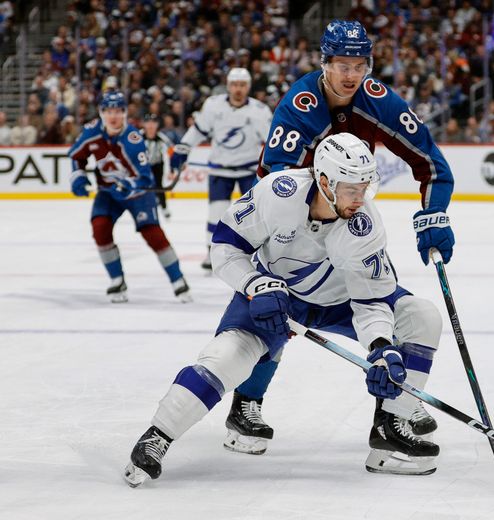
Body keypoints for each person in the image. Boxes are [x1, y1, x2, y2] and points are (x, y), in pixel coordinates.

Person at [123, 133, 443, 487]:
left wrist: (381, 348)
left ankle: (389, 428)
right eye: (352, 189)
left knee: (421, 316)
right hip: (275, 294)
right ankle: (158, 435)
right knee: (227, 357)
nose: (361, 198)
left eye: (366, 187)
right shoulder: (279, 193)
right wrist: (255, 284)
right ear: (324, 181)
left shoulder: (365, 225)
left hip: (341, 304)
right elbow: (226, 247)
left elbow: (371, 301)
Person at [221, 20, 455, 455]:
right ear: (323, 63)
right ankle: (245, 404)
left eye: (359, 64)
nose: (351, 74)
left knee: (387, 305)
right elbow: (275, 180)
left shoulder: (377, 100)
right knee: (278, 310)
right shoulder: (300, 105)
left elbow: (432, 163)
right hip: (293, 225)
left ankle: (396, 407)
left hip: (347, 215)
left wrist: (434, 214)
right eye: (341, 64)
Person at [68, 91, 192, 302]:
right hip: (108, 193)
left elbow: (145, 178)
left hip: (138, 195)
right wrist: (77, 176)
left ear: (125, 113)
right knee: (100, 229)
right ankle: (117, 280)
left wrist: (129, 185)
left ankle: (178, 280)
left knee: (152, 233)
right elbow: (76, 156)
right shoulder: (91, 132)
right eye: (108, 111)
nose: (113, 116)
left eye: (118, 111)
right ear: (101, 112)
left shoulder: (133, 139)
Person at [169, 68, 273, 270]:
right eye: (234, 85)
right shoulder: (213, 106)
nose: (238, 89)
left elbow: (271, 142)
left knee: (253, 214)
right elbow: (198, 130)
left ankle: (256, 253)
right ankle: (211, 252)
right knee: (215, 213)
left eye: (242, 85)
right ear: (228, 85)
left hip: (249, 170)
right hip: (220, 170)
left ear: (248, 87)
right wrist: (183, 149)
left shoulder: (259, 111)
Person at [141, 114, 173, 218]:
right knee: (143, 186)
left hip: (157, 165)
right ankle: (143, 208)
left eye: (153, 123)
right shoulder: (138, 136)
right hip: (143, 165)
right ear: (144, 124)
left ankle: (164, 208)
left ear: (157, 125)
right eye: (148, 123)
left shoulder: (162, 138)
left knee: (159, 186)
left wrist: (172, 169)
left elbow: (172, 152)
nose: (150, 126)